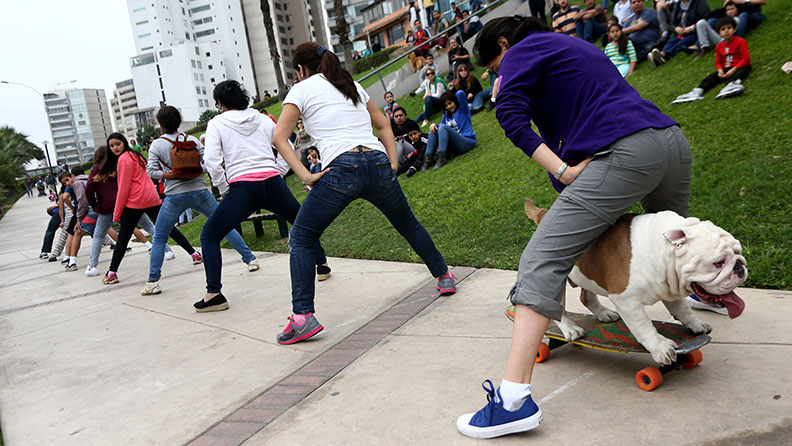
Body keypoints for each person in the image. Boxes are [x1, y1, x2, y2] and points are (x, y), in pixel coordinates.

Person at [457, 16, 690, 438]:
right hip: (670, 142)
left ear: (505, 44)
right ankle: (697, 301)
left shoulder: (523, 51)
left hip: (625, 152)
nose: (495, 76)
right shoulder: (571, 44)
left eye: (492, 67)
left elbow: (510, 117)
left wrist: (562, 170)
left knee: (541, 257)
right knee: (673, 242)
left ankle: (512, 402)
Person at [272, 42, 456, 345]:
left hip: (342, 168)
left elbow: (280, 137)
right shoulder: (351, 85)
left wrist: (305, 175)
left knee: (302, 237)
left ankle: (303, 317)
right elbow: (383, 124)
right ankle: (444, 276)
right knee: (407, 224)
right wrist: (392, 162)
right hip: (376, 161)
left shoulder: (301, 90)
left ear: (301, 71)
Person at [200, 80, 331, 312]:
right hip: (272, 182)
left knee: (210, 235)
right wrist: (278, 172)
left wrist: (224, 187)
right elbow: (286, 146)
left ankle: (214, 294)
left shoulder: (216, 123)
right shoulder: (262, 119)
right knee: (301, 222)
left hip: (242, 187)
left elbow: (211, 161)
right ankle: (322, 264)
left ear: (219, 103)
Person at [142, 105, 259, 297]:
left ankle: (153, 281)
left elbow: (151, 171)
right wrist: (194, 171)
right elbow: (209, 163)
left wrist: (170, 175)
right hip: (200, 192)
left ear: (160, 124)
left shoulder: (157, 145)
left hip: (174, 196)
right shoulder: (193, 140)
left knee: (160, 237)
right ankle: (250, 259)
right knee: (225, 226)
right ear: (179, 120)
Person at [101, 133, 198, 285]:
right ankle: (194, 254)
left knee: (123, 238)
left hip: (135, 201)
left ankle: (112, 272)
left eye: (117, 144)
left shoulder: (124, 159)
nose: (115, 148)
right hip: (151, 197)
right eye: (112, 146)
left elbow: (123, 188)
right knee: (169, 228)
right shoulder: (135, 155)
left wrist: (117, 213)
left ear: (124, 143)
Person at [672, 16, 750, 104]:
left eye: (729, 28)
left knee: (742, 71)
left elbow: (745, 59)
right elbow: (718, 61)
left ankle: (731, 85)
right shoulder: (719, 46)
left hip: (738, 67)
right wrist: (720, 70)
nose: (726, 31)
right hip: (725, 68)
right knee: (711, 77)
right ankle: (697, 91)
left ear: (734, 29)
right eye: (723, 29)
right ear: (719, 33)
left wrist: (734, 69)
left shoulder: (740, 41)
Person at [422, 90, 477, 171]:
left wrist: (451, 91)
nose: (449, 107)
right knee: (433, 130)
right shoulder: (446, 116)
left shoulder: (462, 110)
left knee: (443, 127)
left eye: (450, 103)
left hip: (467, 142)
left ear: (455, 101)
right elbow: (440, 128)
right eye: (446, 105)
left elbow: (460, 93)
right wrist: (433, 125)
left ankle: (442, 158)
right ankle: (428, 159)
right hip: (456, 146)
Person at [647, 0, 710, 66]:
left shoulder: (699, 2)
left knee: (681, 43)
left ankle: (663, 57)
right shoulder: (679, 4)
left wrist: (692, 27)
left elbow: (706, 17)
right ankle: (661, 54)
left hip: (694, 32)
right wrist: (676, 28)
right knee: (671, 41)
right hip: (681, 32)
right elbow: (672, 23)